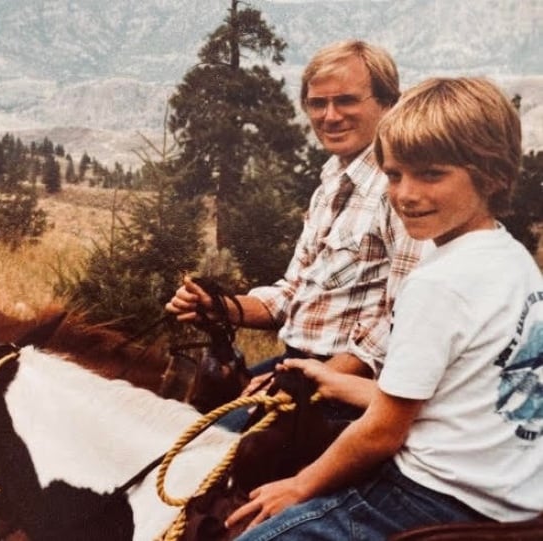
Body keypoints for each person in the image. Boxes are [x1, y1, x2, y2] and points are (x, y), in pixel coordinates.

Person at [225, 76, 543, 540]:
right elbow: (458, 398)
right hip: (509, 489)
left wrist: (299, 486)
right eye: (394, 174)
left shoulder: (438, 282)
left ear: (492, 175)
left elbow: (381, 433)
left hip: (429, 495)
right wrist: (337, 382)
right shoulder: (512, 259)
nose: (406, 194)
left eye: (431, 174)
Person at [166, 40, 425, 418]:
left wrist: (307, 380)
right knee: (186, 427)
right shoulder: (330, 185)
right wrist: (220, 307)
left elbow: (400, 319)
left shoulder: (398, 190)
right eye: (318, 103)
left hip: (348, 391)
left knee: (213, 450)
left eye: (346, 101)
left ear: (387, 104)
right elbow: (292, 294)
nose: (330, 116)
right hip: (297, 368)